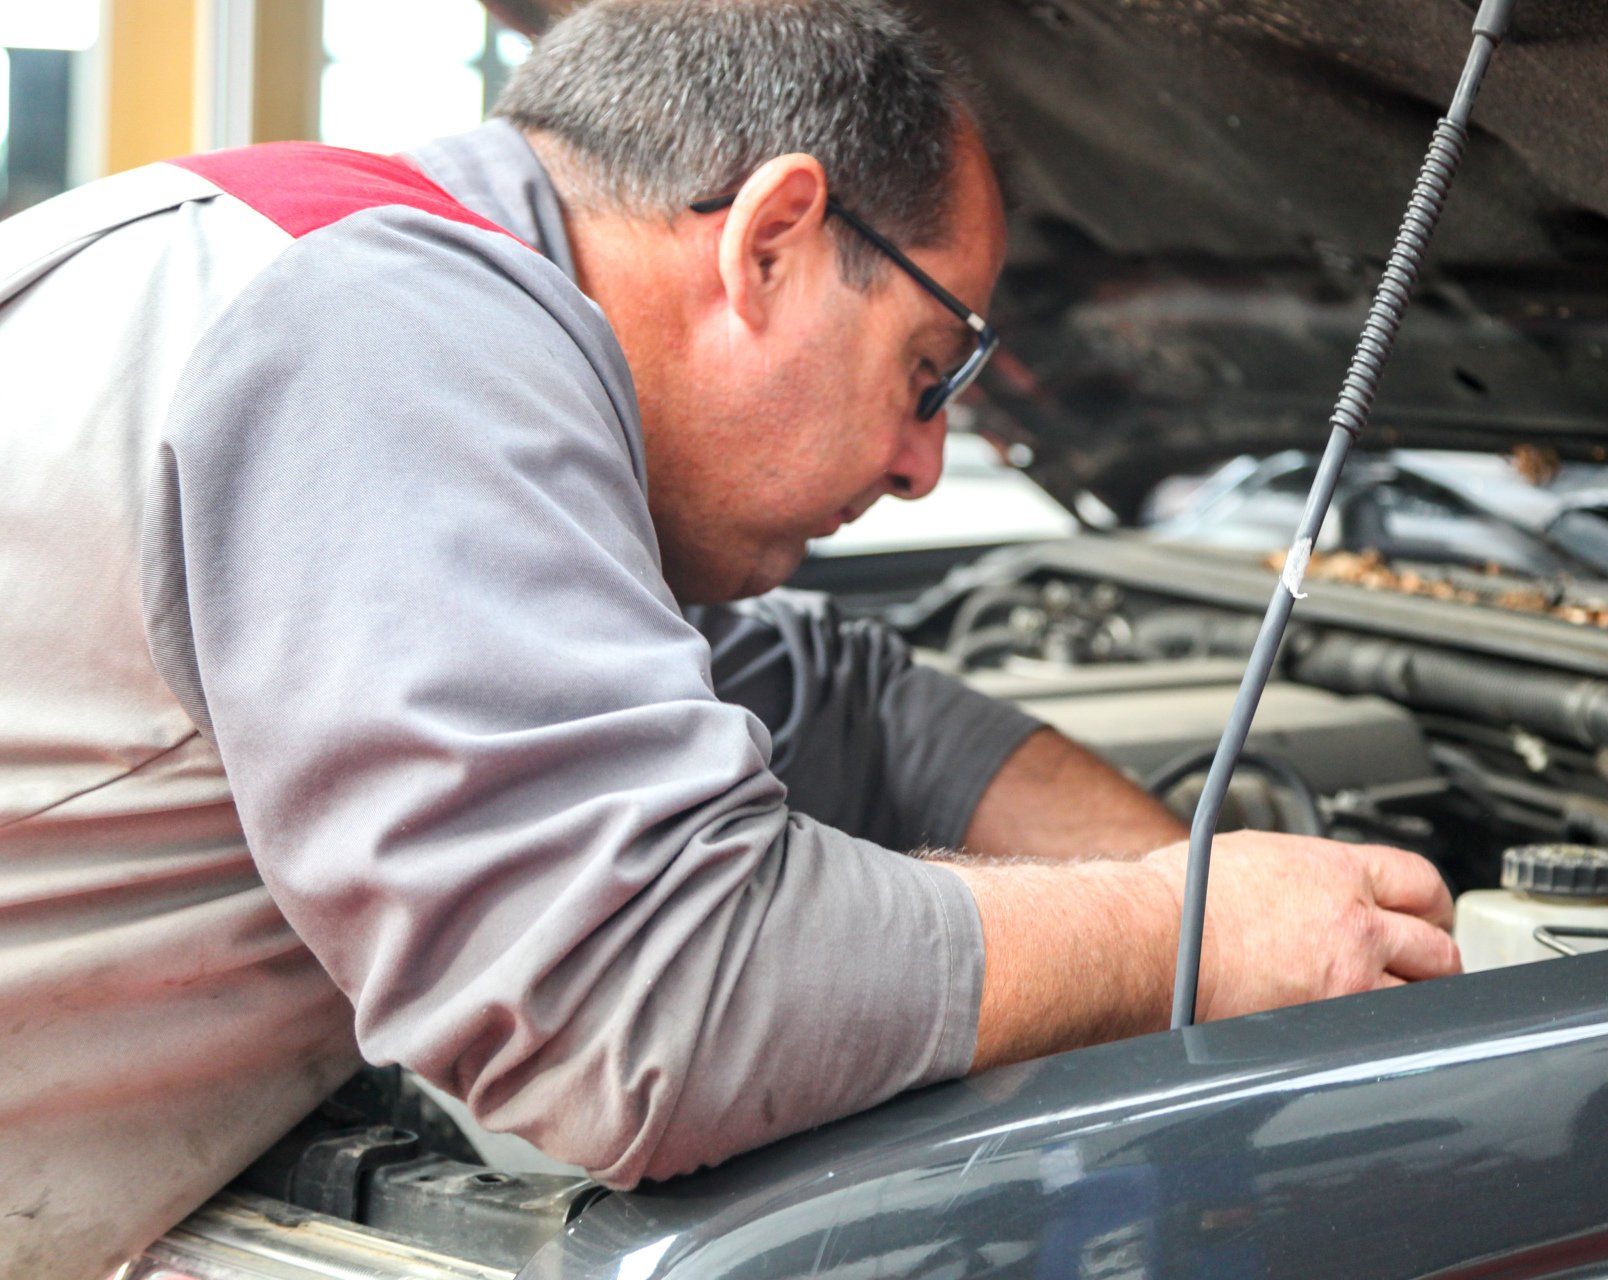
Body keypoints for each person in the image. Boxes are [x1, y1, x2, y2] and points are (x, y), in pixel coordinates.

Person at [0, 0, 1459, 1273]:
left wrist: (1200, 882)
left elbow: (847, 704)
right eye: (928, 372)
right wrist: (1183, 937)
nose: (921, 466)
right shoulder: (389, 334)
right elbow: (648, 1003)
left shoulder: (375, 270)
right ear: (770, 242)